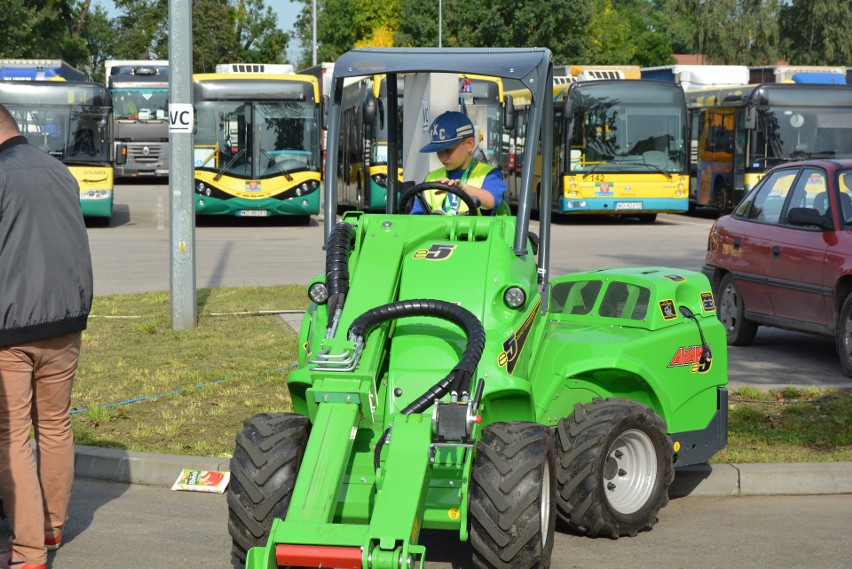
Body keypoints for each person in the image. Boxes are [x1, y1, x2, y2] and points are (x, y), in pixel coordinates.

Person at [0, 104, 93, 569]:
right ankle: (53, 527)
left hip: (10, 330)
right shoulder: (60, 172)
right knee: (55, 426)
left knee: (12, 434)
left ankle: (28, 551)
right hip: (65, 323)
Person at [410, 111, 507, 215]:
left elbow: (490, 201)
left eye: (448, 150)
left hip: (476, 231)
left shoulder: (489, 174)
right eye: (438, 151)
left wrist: (463, 189)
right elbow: (415, 218)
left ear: (469, 145)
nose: (442, 157)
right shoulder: (431, 177)